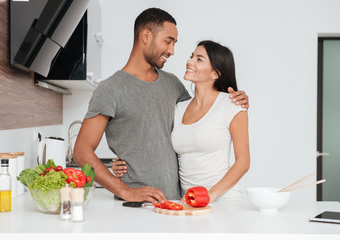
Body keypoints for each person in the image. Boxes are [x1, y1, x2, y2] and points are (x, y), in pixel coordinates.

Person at [73, 8, 249, 203]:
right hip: (138, 206)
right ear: (146, 36)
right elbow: (81, 152)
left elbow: (202, 117)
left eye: (174, 43)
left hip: (178, 202)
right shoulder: (110, 89)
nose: (172, 51)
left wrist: (235, 99)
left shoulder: (172, 84)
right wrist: (125, 190)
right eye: (168, 41)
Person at [113, 40, 250, 202]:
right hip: (188, 201)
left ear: (216, 73)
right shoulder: (179, 108)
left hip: (224, 199)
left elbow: (243, 162)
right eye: (191, 56)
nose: (189, 61)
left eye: (199, 59)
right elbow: (155, 143)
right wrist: (126, 163)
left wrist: (209, 195)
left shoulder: (231, 104)